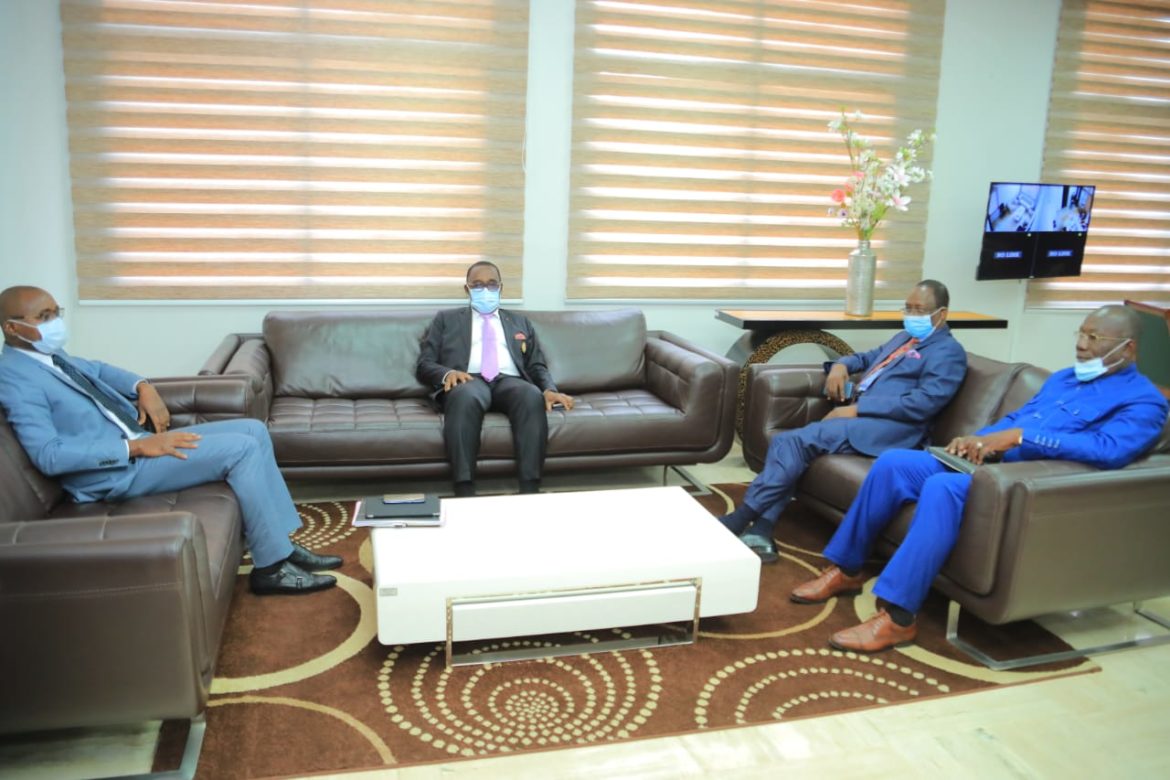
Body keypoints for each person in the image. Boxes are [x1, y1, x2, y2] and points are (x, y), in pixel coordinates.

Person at [791, 304, 1169, 653]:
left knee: (941, 488)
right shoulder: (1064, 379)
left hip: (1016, 482)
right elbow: (1016, 420)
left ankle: (898, 618)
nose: (1082, 345)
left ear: (1128, 348)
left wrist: (1021, 439)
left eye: (1094, 337)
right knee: (893, 464)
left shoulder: (1145, 402)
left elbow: (1108, 450)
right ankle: (848, 568)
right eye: (1081, 333)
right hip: (987, 463)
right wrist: (979, 440)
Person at [0, 285, 342, 596]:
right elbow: (49, 455)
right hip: (115, 472)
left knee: (254, 429)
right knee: (242, 449)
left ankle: (280, 544)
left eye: (56, 312)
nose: (55, 323)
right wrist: (135, 446)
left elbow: (99, 370)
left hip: (139, 443)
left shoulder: (49, 356)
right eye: (43, 317)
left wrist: (143, 386)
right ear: (12, 328)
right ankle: (271, 569)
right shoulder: (15, 378)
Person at [720, 279, 968, 562]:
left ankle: (741, 518)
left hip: (891, 431)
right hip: (863, 418)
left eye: (919, 310)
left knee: (793, 442)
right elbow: (867, 358)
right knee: (793, 445)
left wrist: (858, 409)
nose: (912, 316)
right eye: (908, 308)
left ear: (941, 314)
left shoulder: (948, 352)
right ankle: (761, 530)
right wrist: (840, 365)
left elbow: (924, 403)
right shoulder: (904, 338)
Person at [417, 261, 574, 497]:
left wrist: (549, 389)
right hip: (468, 380)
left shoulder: (520, 323)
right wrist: (448, 374)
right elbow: (425, 364)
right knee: (465, 396)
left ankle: (530, 488)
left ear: (501, 288)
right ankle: (464, 489)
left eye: (491, 284)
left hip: (508, 381)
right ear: (467, 289)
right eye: (477, 285)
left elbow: (536, 364)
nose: (485, 290)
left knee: (531, 395)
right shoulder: (446, 320)